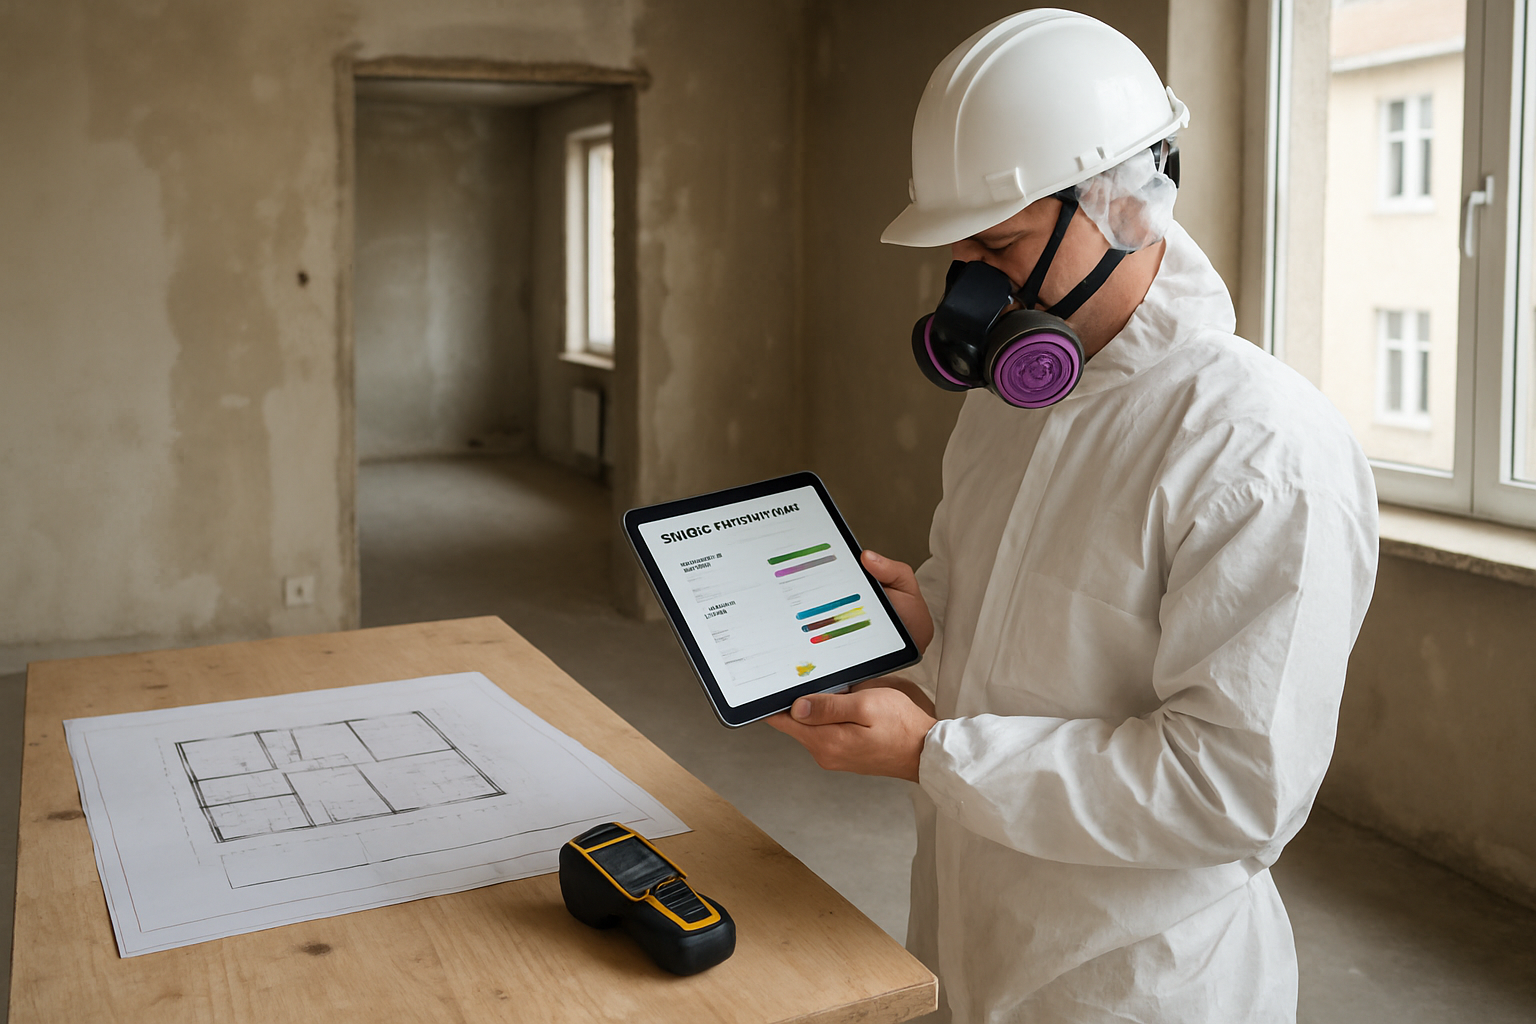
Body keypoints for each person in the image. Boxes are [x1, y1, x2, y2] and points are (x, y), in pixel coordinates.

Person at [767, 10, 1379, 1023]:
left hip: (1133, 983)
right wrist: (929, 621)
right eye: (958, 252)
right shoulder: (1012, 403)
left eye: (997, 245)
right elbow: (1017, 621)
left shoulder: (1259, 449)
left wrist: (931, 753)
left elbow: (1230, 788)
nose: (969, 288)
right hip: (971, 936)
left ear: (1125, 205)